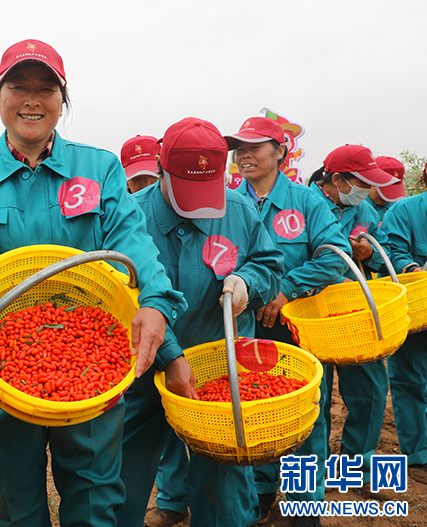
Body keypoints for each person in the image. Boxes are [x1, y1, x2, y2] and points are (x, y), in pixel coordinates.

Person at [0, 39, 190, 527]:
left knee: (94, 497)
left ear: (62, 101)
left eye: (46, 89)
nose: (32, 100)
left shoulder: (99, 168)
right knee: (14, 501)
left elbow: (132, 242)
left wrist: (155, 301)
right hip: (2, 365)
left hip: (91, 358)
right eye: (18, 87)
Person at [119, 117, 284, 527]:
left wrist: (249, 282)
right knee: (125, 471)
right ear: (161, 170)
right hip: (144, 365)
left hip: (217, 368)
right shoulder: (130, 218)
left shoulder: (239, 210)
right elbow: (121, 295)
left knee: (224, 477)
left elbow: (269, 264)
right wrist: (171, 357)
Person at [225, 116, 350, 525]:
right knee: (256, 408)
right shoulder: (226, 203)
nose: (244, 155)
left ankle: (305, 502)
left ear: (280, 151)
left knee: (305, 412)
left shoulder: (306, 201)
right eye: (239, 148)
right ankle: (261, 492)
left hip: (297, 328)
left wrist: (287, 290)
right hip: (247, 328)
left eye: (255, 147)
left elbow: (335, 256)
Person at [307, 144, 398, 499]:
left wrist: (371, 252)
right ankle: (314, 473)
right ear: (337, 180)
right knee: (316, 396)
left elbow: (385, 249)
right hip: (311, 313)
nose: (366, 190)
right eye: (361, 183)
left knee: (371, 389)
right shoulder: (304, 204)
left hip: (355, 312)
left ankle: (357, 466)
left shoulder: (364, 210)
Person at [381, 166, 427, 486]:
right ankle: (419, 455)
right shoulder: (404, 212)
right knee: (410, 379)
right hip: (415, 308)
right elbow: (392, 254)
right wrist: (414, 270)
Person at [366, 156, 407, 224]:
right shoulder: (356, 205)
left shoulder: (404, 205)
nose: (390, 196)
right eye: (386, 190)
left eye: (394, 191)